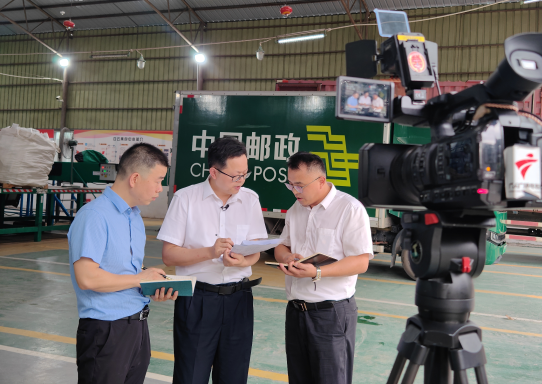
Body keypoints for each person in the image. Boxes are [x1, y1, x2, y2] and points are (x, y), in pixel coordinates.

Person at [158, 137, 268, 384]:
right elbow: (169, 254)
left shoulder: (250, 199)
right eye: (235, 176)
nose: (241, 181)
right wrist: (210, 252)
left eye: (245, 174)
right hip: (198, 299)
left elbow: (255, 252)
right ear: (214, 172)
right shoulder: (185, 199)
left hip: (239, 300)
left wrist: (240, 262)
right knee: (191, 375)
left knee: (233, 376)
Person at [68, 143, 177, 384]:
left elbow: (123, 270)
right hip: (106, 332)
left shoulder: (134, 216)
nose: (160, 189)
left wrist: (149, 280)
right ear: (135, 178)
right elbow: (87, 278)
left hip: (137, 327)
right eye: (158, 180)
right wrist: (139, 278)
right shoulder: (94, 216)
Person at [273, 152, 373, 384]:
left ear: (321, 181)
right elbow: (281, 245)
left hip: (331, 314)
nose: (295, 191)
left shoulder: (349, 209)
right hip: (296, 312)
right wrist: (287, 256)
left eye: (300, 185)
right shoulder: (296, 209)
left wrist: (317, 272)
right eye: (291, 185)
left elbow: (361, 261)